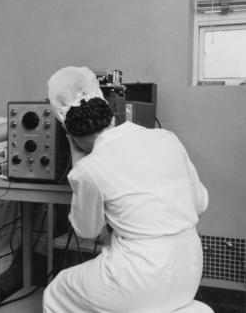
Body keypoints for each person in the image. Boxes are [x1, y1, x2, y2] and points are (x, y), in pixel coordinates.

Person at [42, 67, 209, 313]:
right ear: (111, 114)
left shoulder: (89, 168)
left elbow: (87, 231)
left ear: (69, 132)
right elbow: (200, 203)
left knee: (58, 290)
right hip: (189, 270)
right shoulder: (167, 137)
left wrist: (78, 164)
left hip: (140, 278)